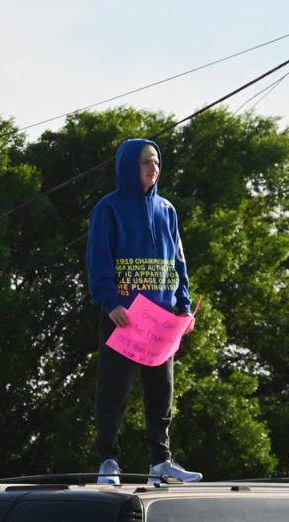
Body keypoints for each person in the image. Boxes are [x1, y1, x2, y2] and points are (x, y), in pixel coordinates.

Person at [87, 137, 200, 485]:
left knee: (161, 391)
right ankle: (108, 459)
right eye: (145, 162)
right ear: (127, 166)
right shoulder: (109, 208)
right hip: (124, 315)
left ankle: (161, 461)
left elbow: (178, 261)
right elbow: (99, 258)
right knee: (114, 389)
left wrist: (184, 307)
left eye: (156, 162)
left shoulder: (167, 210)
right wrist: (110, 302)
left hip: (161, 321)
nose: (153, 169)